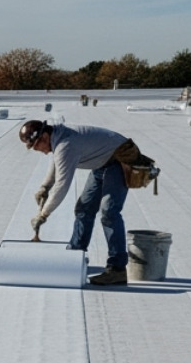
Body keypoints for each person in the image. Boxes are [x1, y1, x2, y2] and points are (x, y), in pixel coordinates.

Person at [19, 119, 133, 285]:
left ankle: (117, 269)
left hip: (119, 159)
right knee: (84, 208)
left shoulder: (66, 144)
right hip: (102, 161)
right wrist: (44, 187)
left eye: (36, 146)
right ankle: (74, 257)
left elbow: (62, 185)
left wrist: (44, 214)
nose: (39, 151)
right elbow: (57, 163)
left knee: (109, 212)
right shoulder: (58, 139)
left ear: (43, 137)